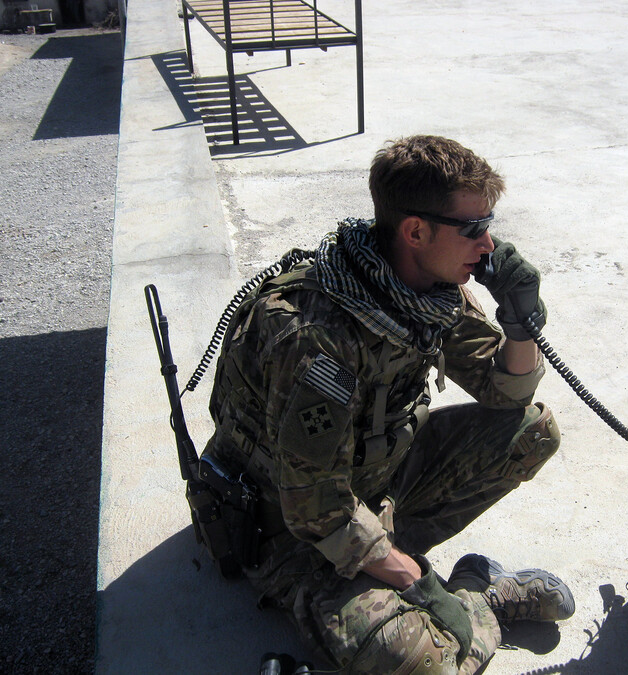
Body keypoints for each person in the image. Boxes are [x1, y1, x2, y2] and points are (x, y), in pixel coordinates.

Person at [202, 135, 574, 674]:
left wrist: (521, 324)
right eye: (472, 229)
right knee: (425, 665)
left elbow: (508, 393)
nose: (489, 244)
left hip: (372, 479)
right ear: (415, 231)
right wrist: (421, 584)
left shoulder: (426, 292)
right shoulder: (317, 337)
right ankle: (482, 597)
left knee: (532, 432)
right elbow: (317, 509)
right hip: (290, 527)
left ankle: (430, 595)